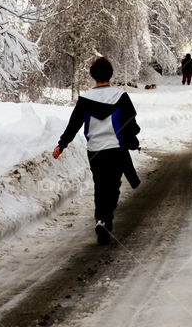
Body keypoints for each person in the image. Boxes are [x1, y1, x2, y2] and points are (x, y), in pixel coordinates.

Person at [52, 57, 140, 245]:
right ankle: (106, 218)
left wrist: (62, 144)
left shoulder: (85, 99)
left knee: (100, 185)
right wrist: (133, 137)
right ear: (110, 74)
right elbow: (130, 123)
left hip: (95, 151)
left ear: (93, 76)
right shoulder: (121, 96)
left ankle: (101, 218)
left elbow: (73, 125)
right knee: (113, 186)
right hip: (116, 149)